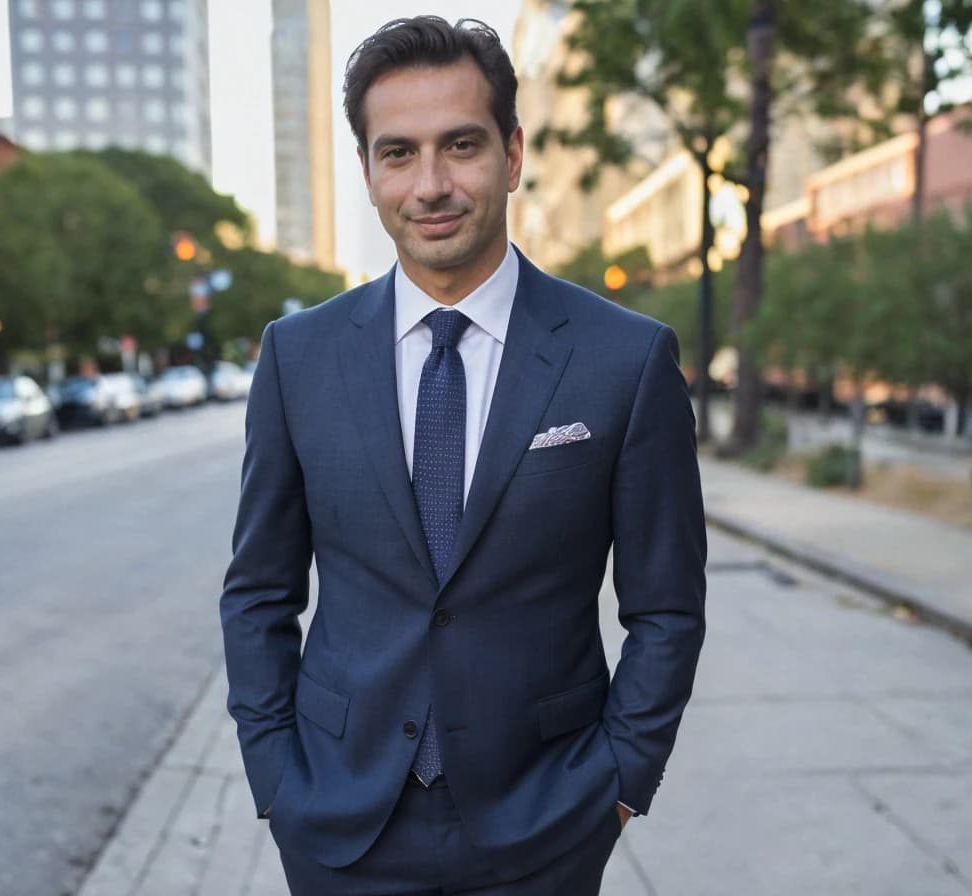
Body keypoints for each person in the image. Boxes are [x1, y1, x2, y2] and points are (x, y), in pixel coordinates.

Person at [219, 15, 706, 895]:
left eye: (463, 146)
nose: (431, 184)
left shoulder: (623, 360)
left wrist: (621, 782)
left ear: (513, 155)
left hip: (546, 823)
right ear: (367, 171)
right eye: (398, 152)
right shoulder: (298, 357)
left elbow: (667, 607)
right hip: (338, 822)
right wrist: (275, 781)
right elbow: (258, 592)